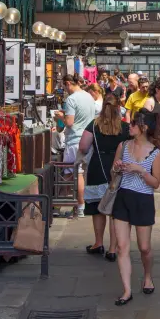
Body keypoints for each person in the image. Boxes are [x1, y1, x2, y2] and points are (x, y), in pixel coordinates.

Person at [111, 111, 160, 306]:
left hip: (143, 200)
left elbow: (156, 183)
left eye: (134, 123)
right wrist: (117, 167)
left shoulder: (155, 153)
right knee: (121, 247)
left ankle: (147, 276)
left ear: (144, 128)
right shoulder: (123, 146)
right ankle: (127, 290)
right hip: (123, 197)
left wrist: (140, 170)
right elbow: (113, 172)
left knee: (144, 247)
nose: (129, 126)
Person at [79, 94, 130, 261]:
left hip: (97, 167)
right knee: (115, 211)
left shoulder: (94, 125)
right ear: (119, 108)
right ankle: (113, 249)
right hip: (118, 168)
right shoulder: (125, 127)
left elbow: (84, 146)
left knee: (97, 209)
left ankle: (98, 243)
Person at [56, 74, 96, 218]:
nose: (64, 89)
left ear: (68, 83)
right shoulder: (89, 96)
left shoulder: (71, 99)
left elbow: (70, 122)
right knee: (72, 174)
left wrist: (60, 116)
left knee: (77, 174)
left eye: (63, 86)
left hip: (75, 141)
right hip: (89, 139)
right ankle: (64, 205)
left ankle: (80, 207)